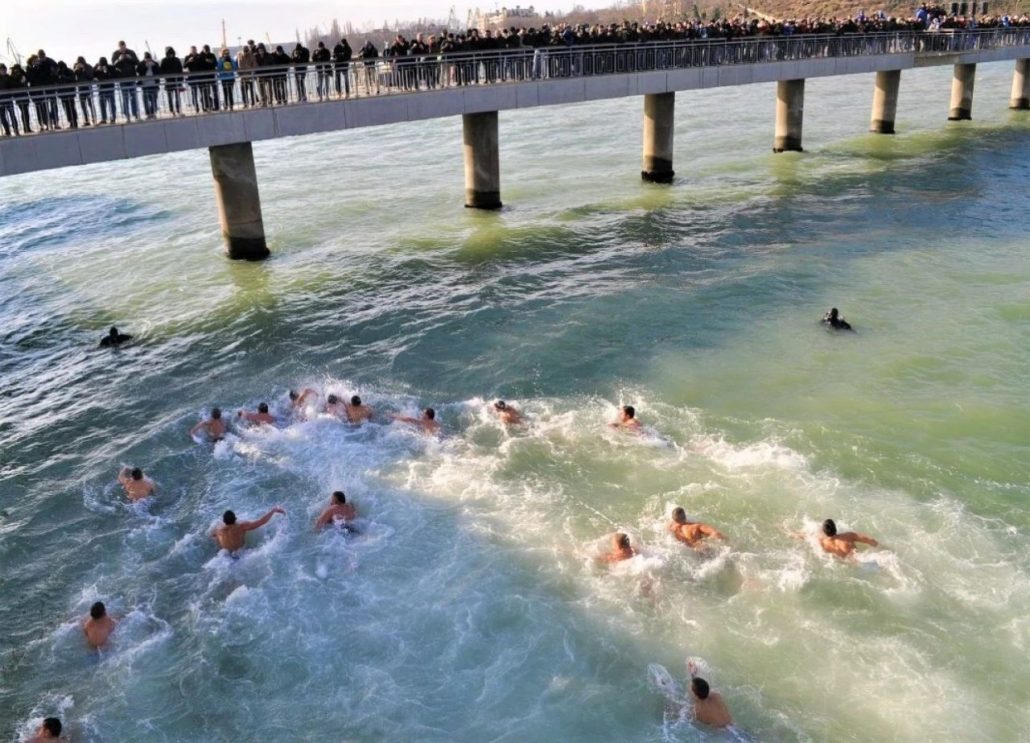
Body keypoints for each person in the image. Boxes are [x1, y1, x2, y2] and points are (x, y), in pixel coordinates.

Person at [212, 506, 285, 552]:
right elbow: (261, 521)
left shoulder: (218, 530)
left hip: (225, 558)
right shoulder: (240, 526)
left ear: (224, 521)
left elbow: (213, 536)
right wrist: (273, 510)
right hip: (241, 556)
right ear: (235, 519)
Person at [688, 662, 733, 728]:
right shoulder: (717, 696)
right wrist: (693, 674)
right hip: (733, 727)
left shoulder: (697, 710)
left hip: (722, 734)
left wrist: (692, 674)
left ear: (696, 695)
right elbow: (700, 689)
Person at [159, 47, 183, 116]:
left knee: (176, 97)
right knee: (172, 97)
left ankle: (175, 109)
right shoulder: (175, 60)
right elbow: (180, 70)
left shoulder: (165, 60)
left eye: (171, 53)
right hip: (172, 81)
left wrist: (180, 79)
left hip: (172, 81)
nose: (171, 55)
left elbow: (180, 70)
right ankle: (173, 109)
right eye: (170, 53)